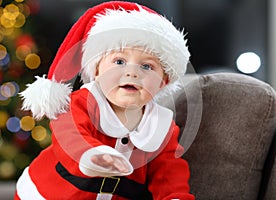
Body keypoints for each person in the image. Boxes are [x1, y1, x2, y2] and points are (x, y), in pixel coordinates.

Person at [15, 1, 195, 199]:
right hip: (50, 193)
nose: (132, 72)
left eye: (147, 67)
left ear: (163, 82)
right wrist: (92, 155)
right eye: (119, 62)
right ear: (98, 71)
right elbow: (69, 135)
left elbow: (169, 173)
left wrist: (174, 196)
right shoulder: (83, 102)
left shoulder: (162, 127)